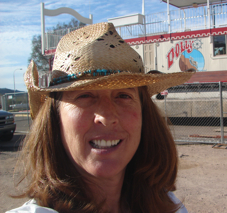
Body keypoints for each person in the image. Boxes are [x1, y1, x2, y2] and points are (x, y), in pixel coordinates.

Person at [7, 22, 194, 213]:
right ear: (55, 118)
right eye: (85, 95)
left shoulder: (169, 207)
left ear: (145, 116)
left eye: (123, 96)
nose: (106, 117)